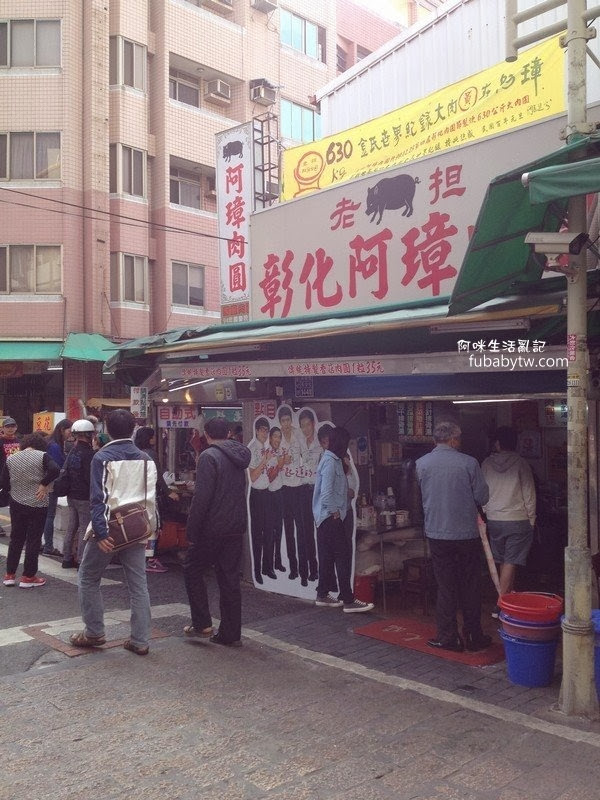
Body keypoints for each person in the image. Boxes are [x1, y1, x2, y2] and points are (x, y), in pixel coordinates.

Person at [69, 408, 157, 656]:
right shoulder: (146, 459)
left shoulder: (102, 457)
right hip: (137, 528)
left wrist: (100, 532)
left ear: (106, 429)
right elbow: (150, 498)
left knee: (88, 577)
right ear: (133, 429)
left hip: (108, 529)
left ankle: (94, 632)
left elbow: (98, 498)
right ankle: (140, 640)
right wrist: (149, 531)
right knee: (138, 585)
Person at [416, 421, 491, 653]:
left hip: (437, 533)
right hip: (466, 534)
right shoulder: (469, 463)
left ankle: (448, 636)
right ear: (453, 440)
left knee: (445, 585)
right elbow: (482, 497)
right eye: (458, 439)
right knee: (470, 584)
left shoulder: (421, 464)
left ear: (435, 440)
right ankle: (474, 635)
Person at [183, 417, 251, 646]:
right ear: (228, 433)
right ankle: (231, 634)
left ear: (207, 434)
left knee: (192, 569)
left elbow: (202, 498)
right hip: (235, 526)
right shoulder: (239, 456)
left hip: (212, 528)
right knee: (230, 579)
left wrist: (192, 530)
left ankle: (202, 623)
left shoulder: (209, 456)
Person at [313, 426, 374, 613]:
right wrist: (335, 512)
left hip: (324, 518)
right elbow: (326, 493)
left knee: (326, 556)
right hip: (330, 517)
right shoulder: (331, 462)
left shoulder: (331, 460)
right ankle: (348, 599)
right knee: (342, 556)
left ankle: (322, 594)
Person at [482, 426, 537, 615]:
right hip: (517, 518)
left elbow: (482, 490)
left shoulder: (486, 464)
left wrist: (487, 510)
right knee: (511, 561)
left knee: (502, 560)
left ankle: (508, 598)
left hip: (494, 519)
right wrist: (531, 519)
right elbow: (529, 493)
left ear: (497, 443)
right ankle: (501, 603)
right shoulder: (521, 463)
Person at [1, 433, 60, 587]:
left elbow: (4, 483)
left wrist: (15, 490)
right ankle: (28, 577)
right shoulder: (43, 456)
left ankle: (9, 575)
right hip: (38, 502)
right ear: (40, 445)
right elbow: (55, 469)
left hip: (16, 502)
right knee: (33, 540)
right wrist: (43, 483)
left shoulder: (12, 458)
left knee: (16, 538)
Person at [134, 426, 180, 574]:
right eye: (153, 436)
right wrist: (169, 492)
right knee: (153, 527)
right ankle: (151, 559)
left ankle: (141, 558)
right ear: (149, 439)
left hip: (137, 495)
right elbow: (158, 476)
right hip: (150, 495)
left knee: (142, 526)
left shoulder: (135, 453)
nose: (155, 439)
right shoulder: (151, 454)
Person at [61, 419, 95, 569]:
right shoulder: (89, 454)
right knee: (84, 528)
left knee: (72, 527)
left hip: (71, 495)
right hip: (84, 496)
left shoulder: (72, 452)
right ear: (88, 434)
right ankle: (81, 560)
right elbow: (90, 477)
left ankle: (66, 558)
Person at [277, 405, 303, 583]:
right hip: (284, 488)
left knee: (301, 529)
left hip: (299, 486)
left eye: (288, 420)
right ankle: (293, 568)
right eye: (283, 421)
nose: (286, 424)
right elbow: (272, 461)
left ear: (291, 421)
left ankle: (304, 568)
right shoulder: (276, 438)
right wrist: (282, 461)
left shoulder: (298, 434)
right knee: (288, 530)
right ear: (280, 422)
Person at [248, 417, 274, 583]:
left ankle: (267, 567)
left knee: (269, 532)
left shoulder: (267, 448)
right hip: (256, 495)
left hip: (268, 493)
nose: (264, 433)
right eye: (262, 430)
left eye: (267, 430)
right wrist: (265, 461)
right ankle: (257, 571)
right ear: (256, 431)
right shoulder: (252, 449)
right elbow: (252, 476)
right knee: (258, 534)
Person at [41, 418, 72, 556]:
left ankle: (41, 544)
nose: (71, 434)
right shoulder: (54, 446)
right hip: (50, 484)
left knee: (44, 515)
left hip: (45, 483)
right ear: (62, 429)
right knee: (49, 515)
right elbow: (58, 466)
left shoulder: (51, 442)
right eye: (69, 431)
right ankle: (48, 547)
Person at [298, 408, 320, 583]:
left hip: (318, 491)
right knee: (306, 533)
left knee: (321, 531)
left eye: (308, 424)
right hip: (303, 491)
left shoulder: (321, 444)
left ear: (313, 424)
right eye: (302, 426)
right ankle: (311, 570)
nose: (306, 428)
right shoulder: (300, 444)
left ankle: (324, 570)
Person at [266, 426, 286, 573]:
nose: (277, 439)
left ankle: (277, 561)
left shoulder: (279, 452)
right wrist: (279, 465)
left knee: (279, 530)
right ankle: (268, 564)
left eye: (279, 436)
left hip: (280, 494)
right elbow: (270, 478)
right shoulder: (267, 454)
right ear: (270, 437)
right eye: (275, 436)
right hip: (270, 496)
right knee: (270, 532)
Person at [0, 417, 22, 536]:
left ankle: (16, 528)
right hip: (2, 477)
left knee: (15, 504)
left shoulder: (20, 441)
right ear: (2, 428)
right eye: (7, 426)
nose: (10, 429)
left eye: (12, 426)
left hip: (16, 477)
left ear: (16, 427)